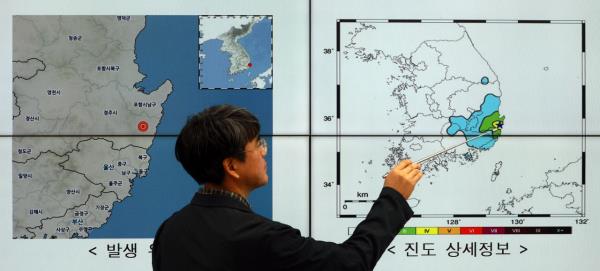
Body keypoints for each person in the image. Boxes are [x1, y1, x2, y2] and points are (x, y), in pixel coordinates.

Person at [152, 104, 423, 271]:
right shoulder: (260, 237)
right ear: (232, 167)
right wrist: (393, 197)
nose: (264, 152)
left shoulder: (169, 231)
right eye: (257, 145)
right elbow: (351, 264)